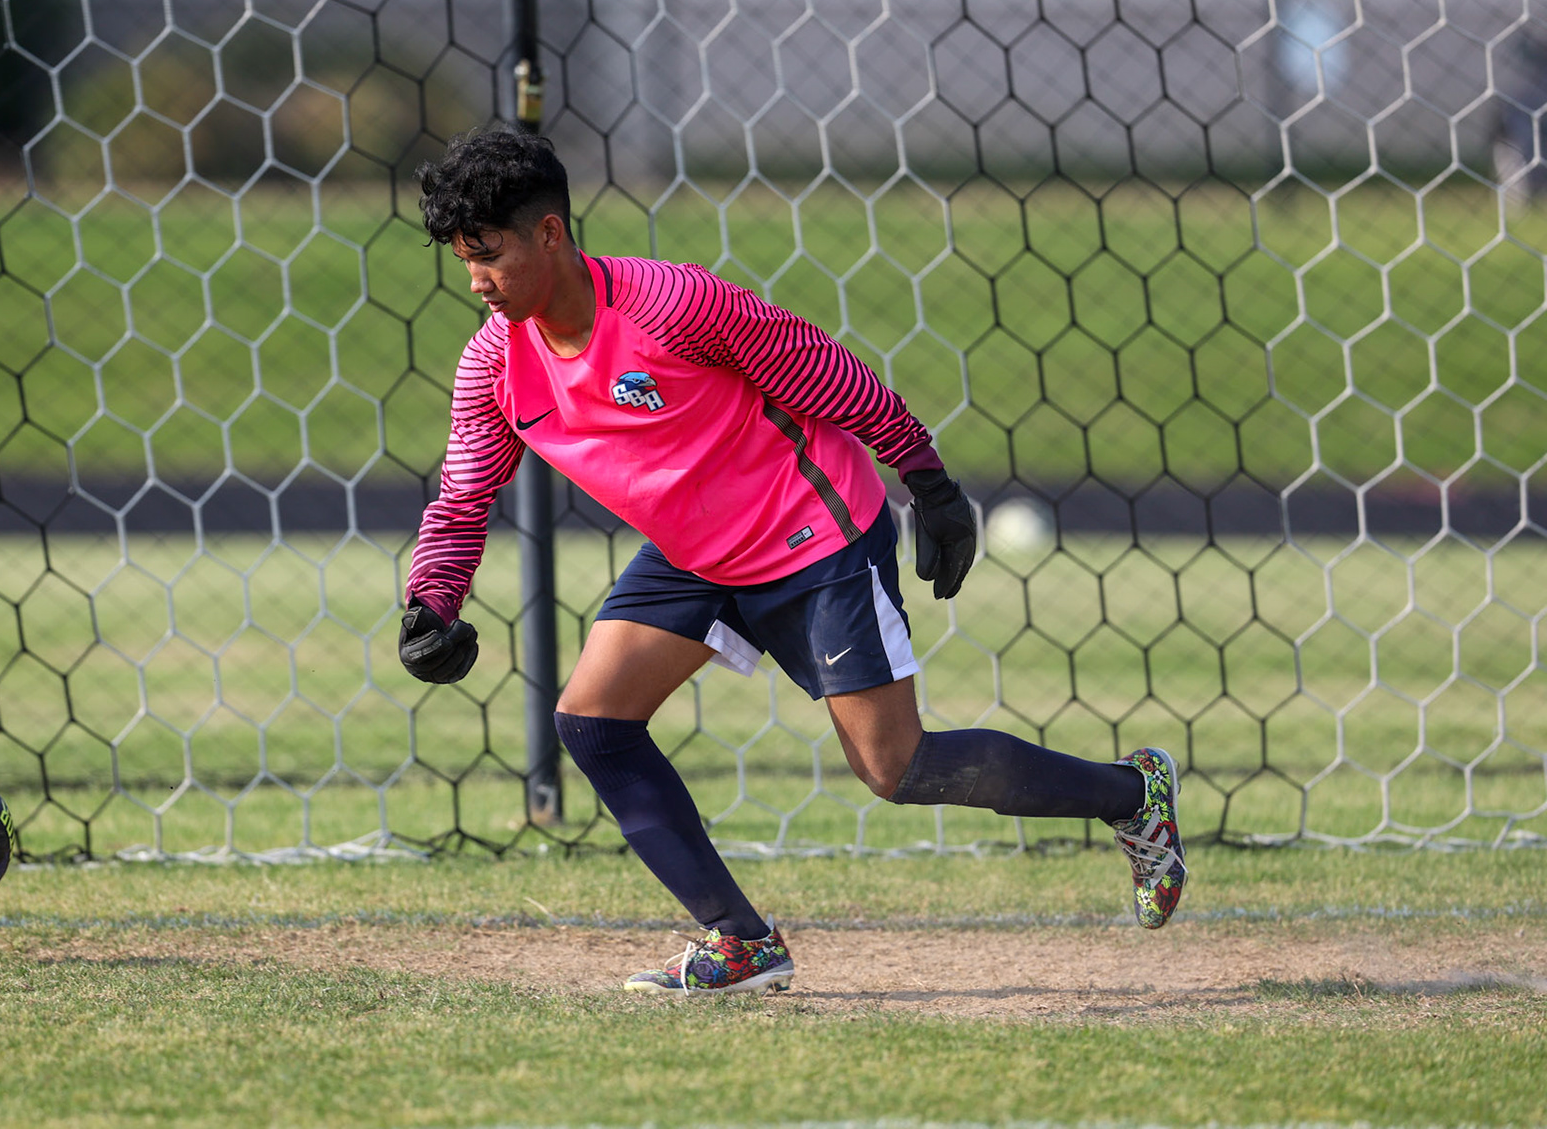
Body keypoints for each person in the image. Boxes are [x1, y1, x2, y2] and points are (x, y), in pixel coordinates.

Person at [398, 127, 1187, 996]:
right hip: (697, 555)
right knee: (593, 720)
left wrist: (925, 478)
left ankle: (1130, 795)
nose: (475, 280)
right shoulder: (493, 366)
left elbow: (818, 367)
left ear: (550, 234)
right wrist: (432, 602)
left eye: (489, 255)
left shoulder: (673, 306)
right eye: (463, 260)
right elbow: (463, 497)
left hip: (811, 532)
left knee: (897, 769)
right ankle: (740, 941)